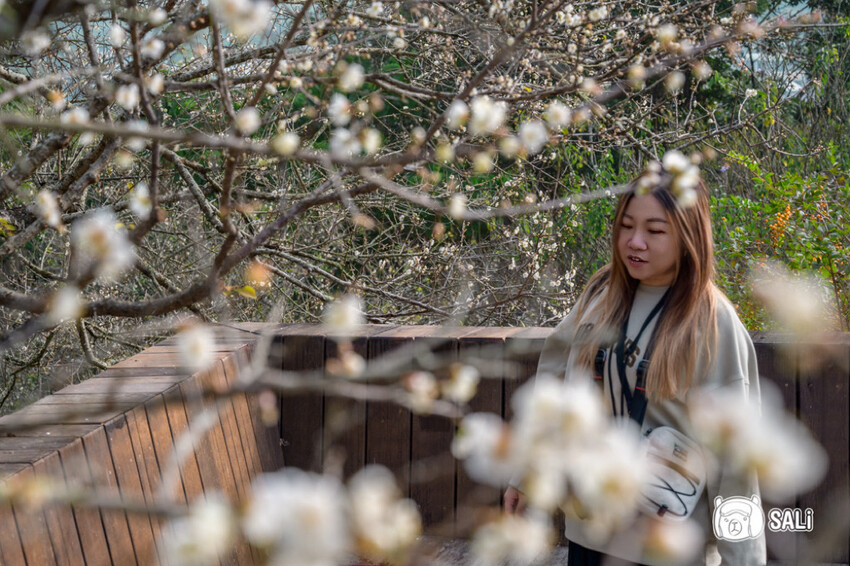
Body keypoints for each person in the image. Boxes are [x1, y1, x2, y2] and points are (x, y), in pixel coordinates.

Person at [504, 171, 767, 566]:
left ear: (688, 235)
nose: (634, 241)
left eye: (654, 230)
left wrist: (743, 559)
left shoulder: (713, 322)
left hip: (670, 546)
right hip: (590, 531)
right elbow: (554, 386)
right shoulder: (601, 294)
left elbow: (736, 460)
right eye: (626, 226)